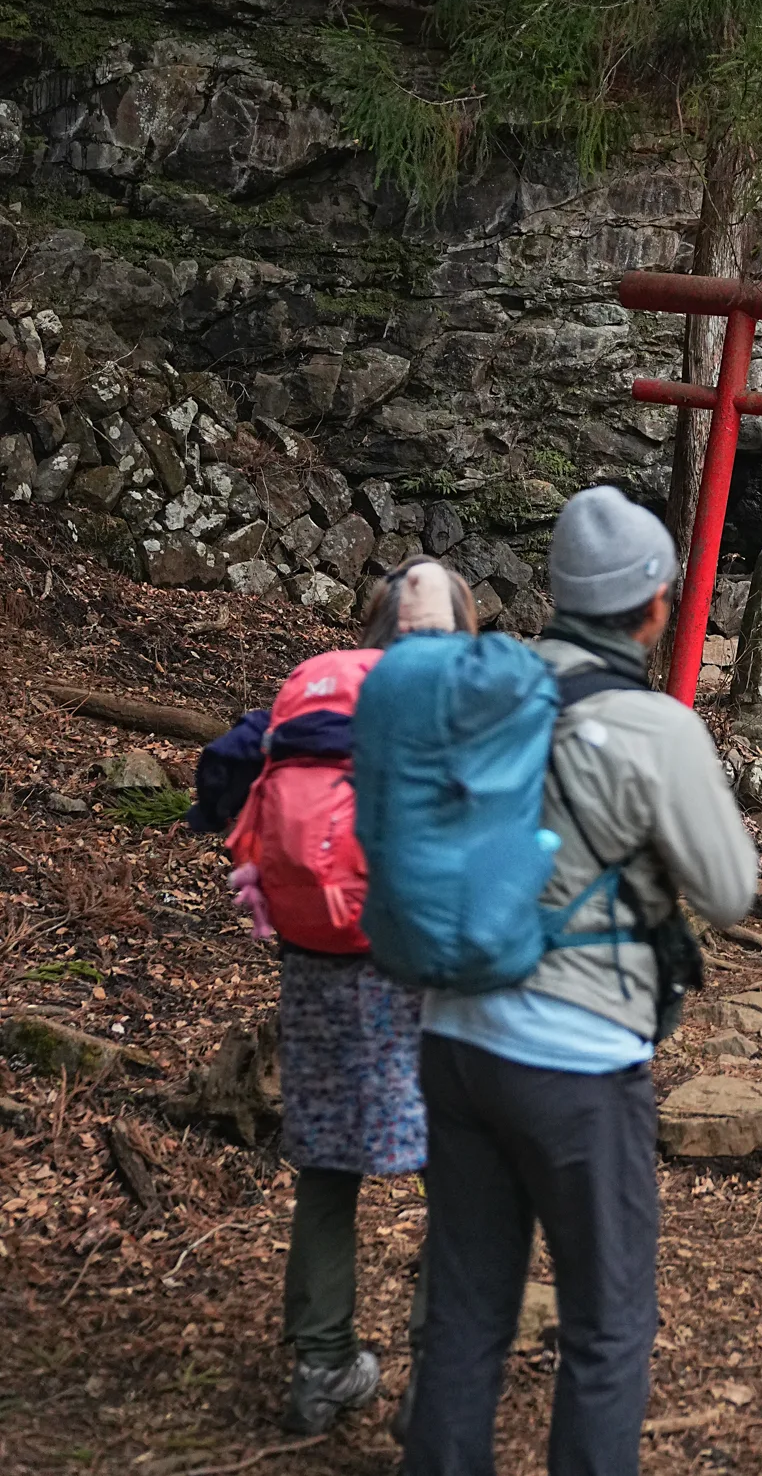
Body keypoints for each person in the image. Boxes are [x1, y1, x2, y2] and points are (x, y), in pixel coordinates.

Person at [401, 486, 759, 1476]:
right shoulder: (655, 729)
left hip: (453, 1036)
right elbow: (729, 891)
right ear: (651, 608)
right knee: (605, 1329)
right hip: (578, 1060)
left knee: (469, 1312)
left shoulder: (477, 694)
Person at [192, 555, 477, 1439]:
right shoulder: (464, 701)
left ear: (373, 626)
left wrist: (263, 856)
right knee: (461, 1174)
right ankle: (437, 1383)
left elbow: (222, 769)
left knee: (326, 1161)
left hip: (318, 964)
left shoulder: (314, 688)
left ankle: (322, 1369)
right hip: (427, 960)